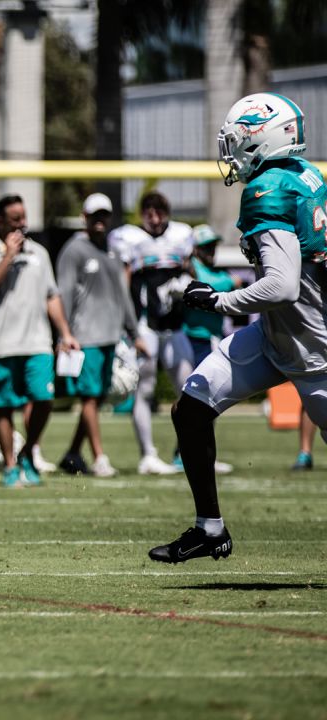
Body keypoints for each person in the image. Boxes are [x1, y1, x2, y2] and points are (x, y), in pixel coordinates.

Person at [151, 93, 327, 563]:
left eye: (235, 141)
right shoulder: (304, 175)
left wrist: (219, 301)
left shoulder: (268, 188)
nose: (230, 153)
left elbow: (283, 286)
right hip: (276, 340)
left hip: (317, 355)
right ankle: (210, 528)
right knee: (191, 407)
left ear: (259, 137)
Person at [0, 194, 79, 488]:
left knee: (43, 399)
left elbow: (51, 295)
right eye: (15, 219)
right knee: (4, 407)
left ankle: (29, 451)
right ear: (0, 221)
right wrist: (8, 256)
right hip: (0, 344)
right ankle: (10, 465)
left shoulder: (40, 254)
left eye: (23, 218)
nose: (22, 224)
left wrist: (65, 333)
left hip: (37, 342)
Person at [108, 191, 196, 475]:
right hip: (147, 326)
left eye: (160, 212)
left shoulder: (182, 236)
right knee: (144, 390)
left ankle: (187, 451)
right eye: (149, 212)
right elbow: (124, 285)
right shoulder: (130, 239)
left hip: (175, 326)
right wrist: (130, 329)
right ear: (142, 214)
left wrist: (186, 284)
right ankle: (147, 455)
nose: (155, 218)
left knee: (192, 389)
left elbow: (191, 270)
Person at [54, 193, 140, 477]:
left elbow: (122, 294)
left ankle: (73, 453)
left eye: (105, 215)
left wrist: (134, 331)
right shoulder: (74, 250)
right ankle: (100, 457)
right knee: (89, 399)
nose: (100, 220)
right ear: (85, 217)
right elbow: (62, 294)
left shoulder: (113, 251)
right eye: (95, 215)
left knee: (97, 398)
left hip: (110, 337)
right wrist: (63, 334)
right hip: (85, 337)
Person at [182, 224, 243, 366]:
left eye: (213, 246)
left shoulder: (215, 271)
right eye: (206, 247)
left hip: (213, 337)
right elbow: (201, 285)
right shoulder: (190, 267)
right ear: (196, 249)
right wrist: (230, 281)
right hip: (194, 338)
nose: (211, 251)